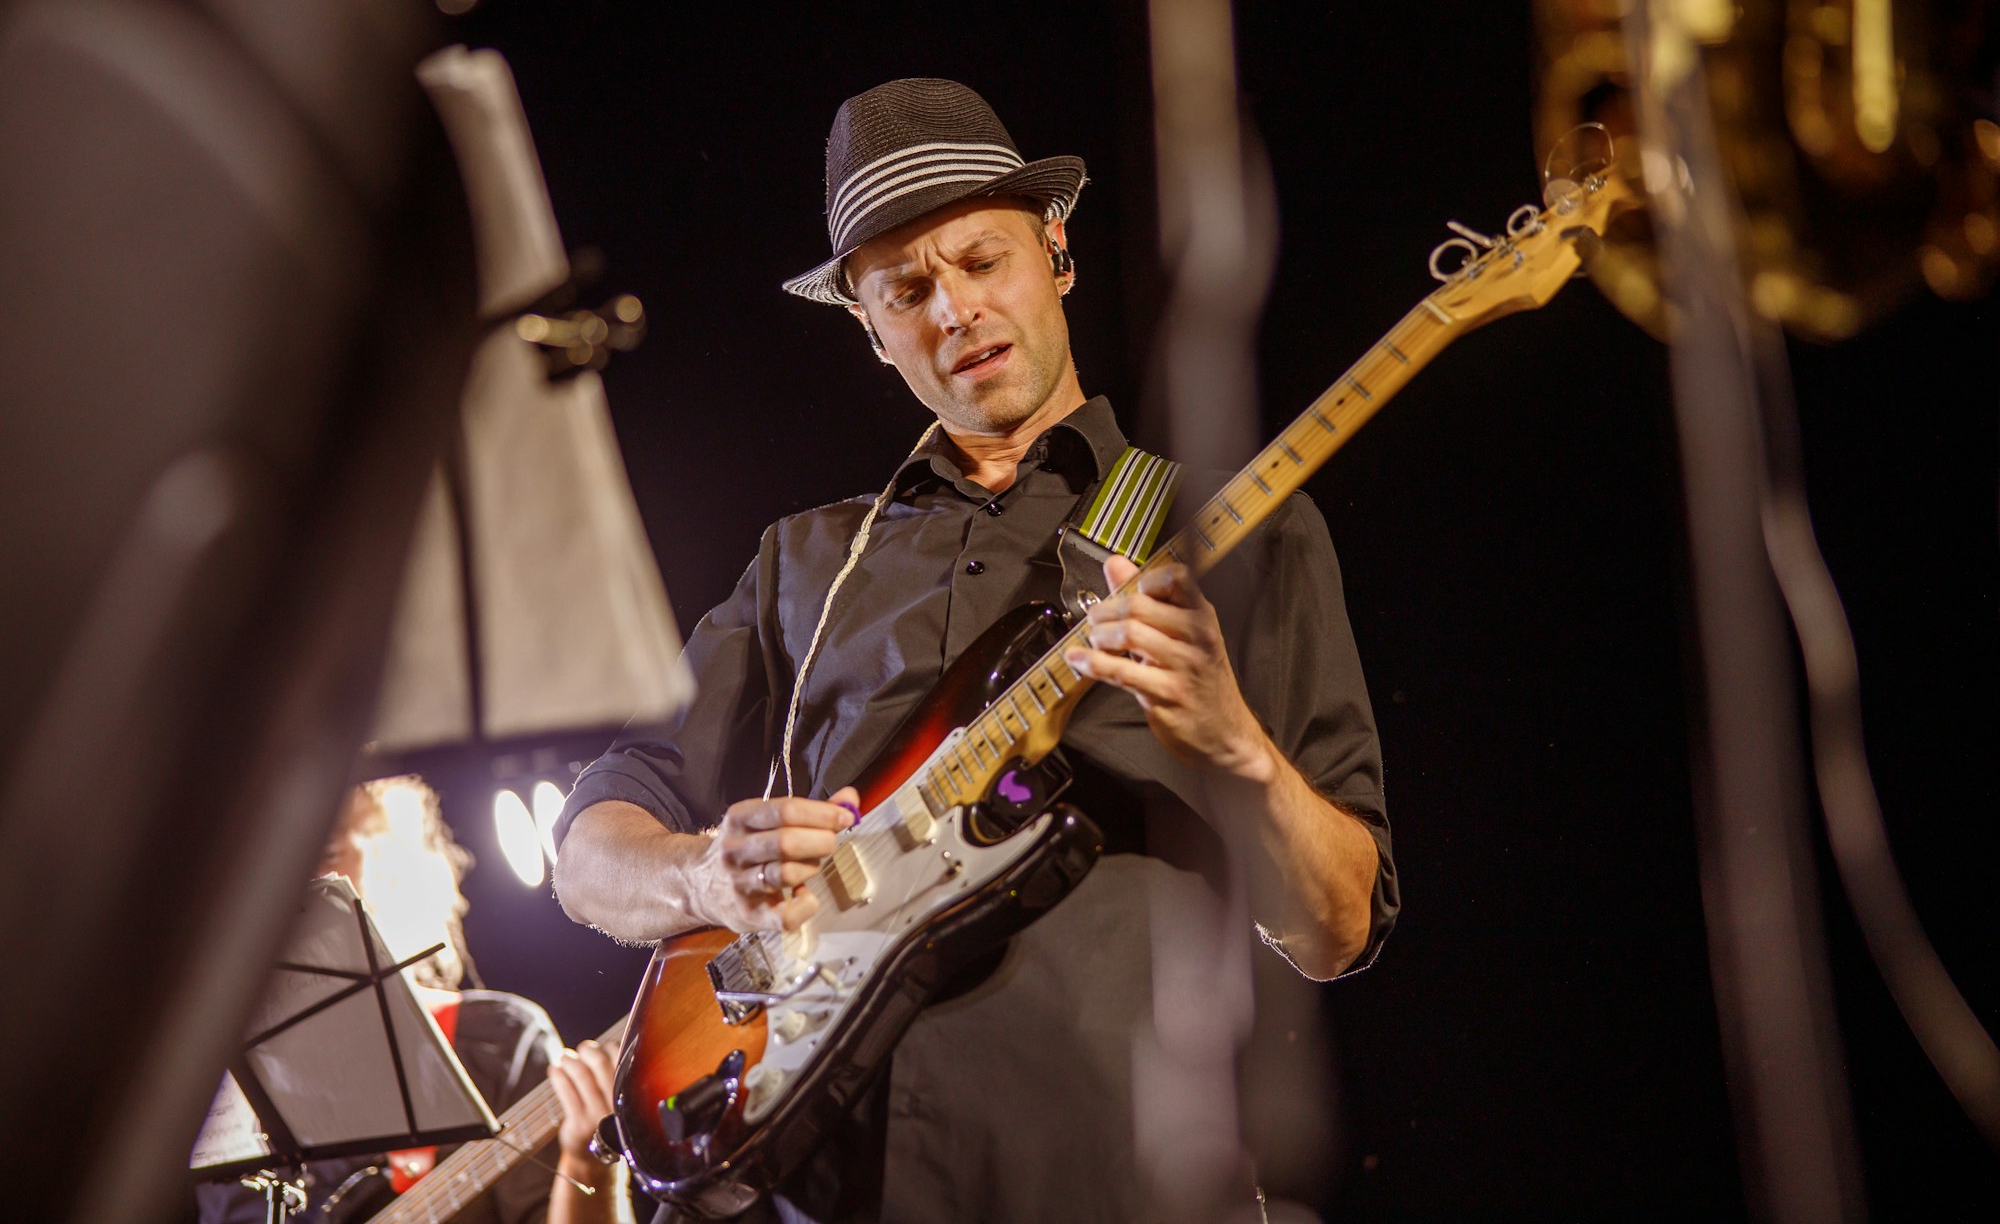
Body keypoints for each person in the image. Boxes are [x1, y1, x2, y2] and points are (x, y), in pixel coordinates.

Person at [550, 78, 1397, 1222]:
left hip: (1107, 1173)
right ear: (868, 324)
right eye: (907, 289)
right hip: (808, 1180)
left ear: (1055, 253)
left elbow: (1339, 925)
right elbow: (588, 852)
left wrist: (1235, 747)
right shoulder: (808, 559)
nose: (952, 311)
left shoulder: (1233, 532)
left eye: (980, 260)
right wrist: (700, 873)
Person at [196, 776, 633, 1224]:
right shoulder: (217, 1071)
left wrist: (586, 1162)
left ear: (396, 867)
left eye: (326, 853)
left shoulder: (498, 1038)